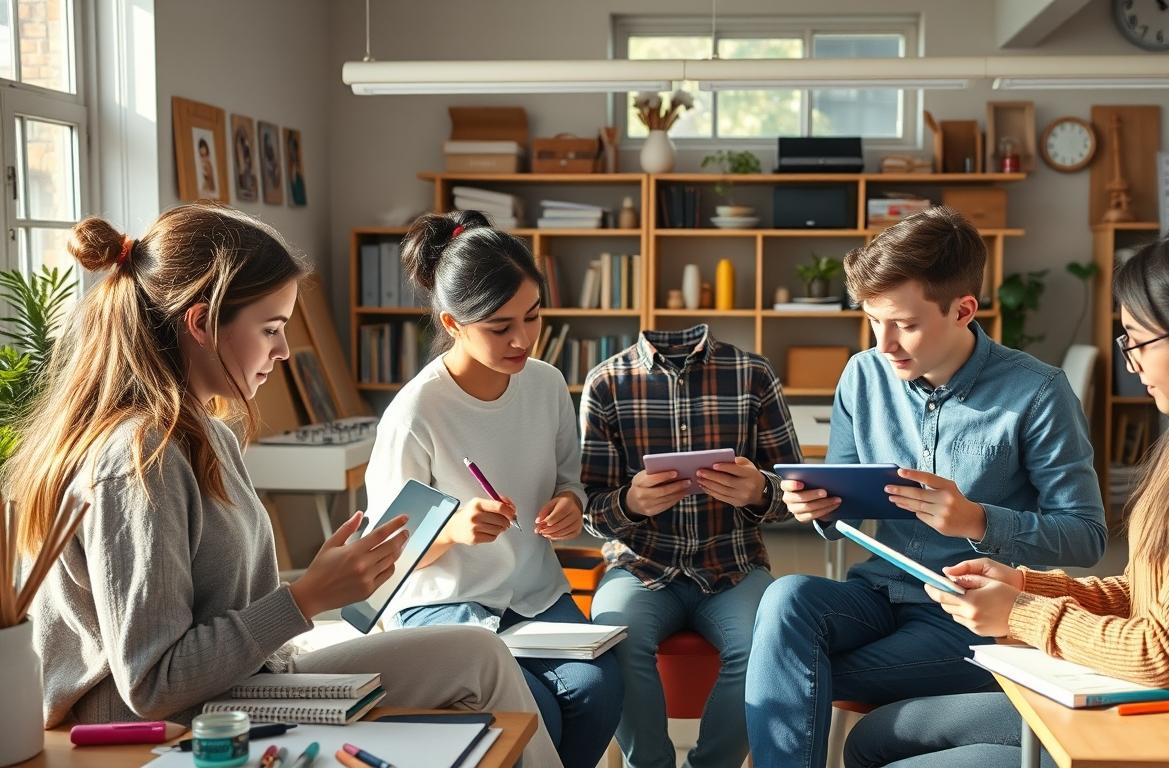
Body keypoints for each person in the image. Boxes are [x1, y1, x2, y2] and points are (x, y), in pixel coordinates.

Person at [14, 204, 562, 767]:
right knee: (475, 664)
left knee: (479, 654)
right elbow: (154, 683)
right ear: (201, 324)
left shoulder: (205, 434)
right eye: (271, 329)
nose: (282, 351)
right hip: (161, 720)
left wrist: (319, 588)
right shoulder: (138, 461)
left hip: (240, 680)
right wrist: (306, 597)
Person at [843, 200, 1169, 768]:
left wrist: (1022, 613)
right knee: (874, 737)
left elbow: (1164, 652)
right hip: (1159, 694)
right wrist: (1025, 584)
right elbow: (1144, 598)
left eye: (1137, 340)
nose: (1130, 363)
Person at [745, 207, 1107, 768]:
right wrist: (814, 506)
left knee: (788, 672)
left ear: (964, 310)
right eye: (872, 320)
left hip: (967, 613)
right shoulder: (862, 376)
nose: (883, 343)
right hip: (876, 592)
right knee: (787, 598)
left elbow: (1086, 537)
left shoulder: (1037, 393)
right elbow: (836, 514)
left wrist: (979, 522)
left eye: (904, 324)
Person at [364, 210, 622, 768]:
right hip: (443, 604)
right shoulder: (416, 413)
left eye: (532, 317)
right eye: (500, 327)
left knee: (600, 689)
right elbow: (381, 556)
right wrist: (451, 529)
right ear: (453, 323)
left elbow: (568, 482)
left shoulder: (548, 384)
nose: (523, 338)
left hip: (535, 593)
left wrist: (569, 506)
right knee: (534, 715)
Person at [581, 322, 802, 768]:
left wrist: (760, 491)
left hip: (734, 566)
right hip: (640, 568)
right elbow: (590, 512)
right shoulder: (606, 381)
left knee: (766, 645)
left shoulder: (753, 374)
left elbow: (798, 495)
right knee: (613, 637)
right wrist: (630, 502)